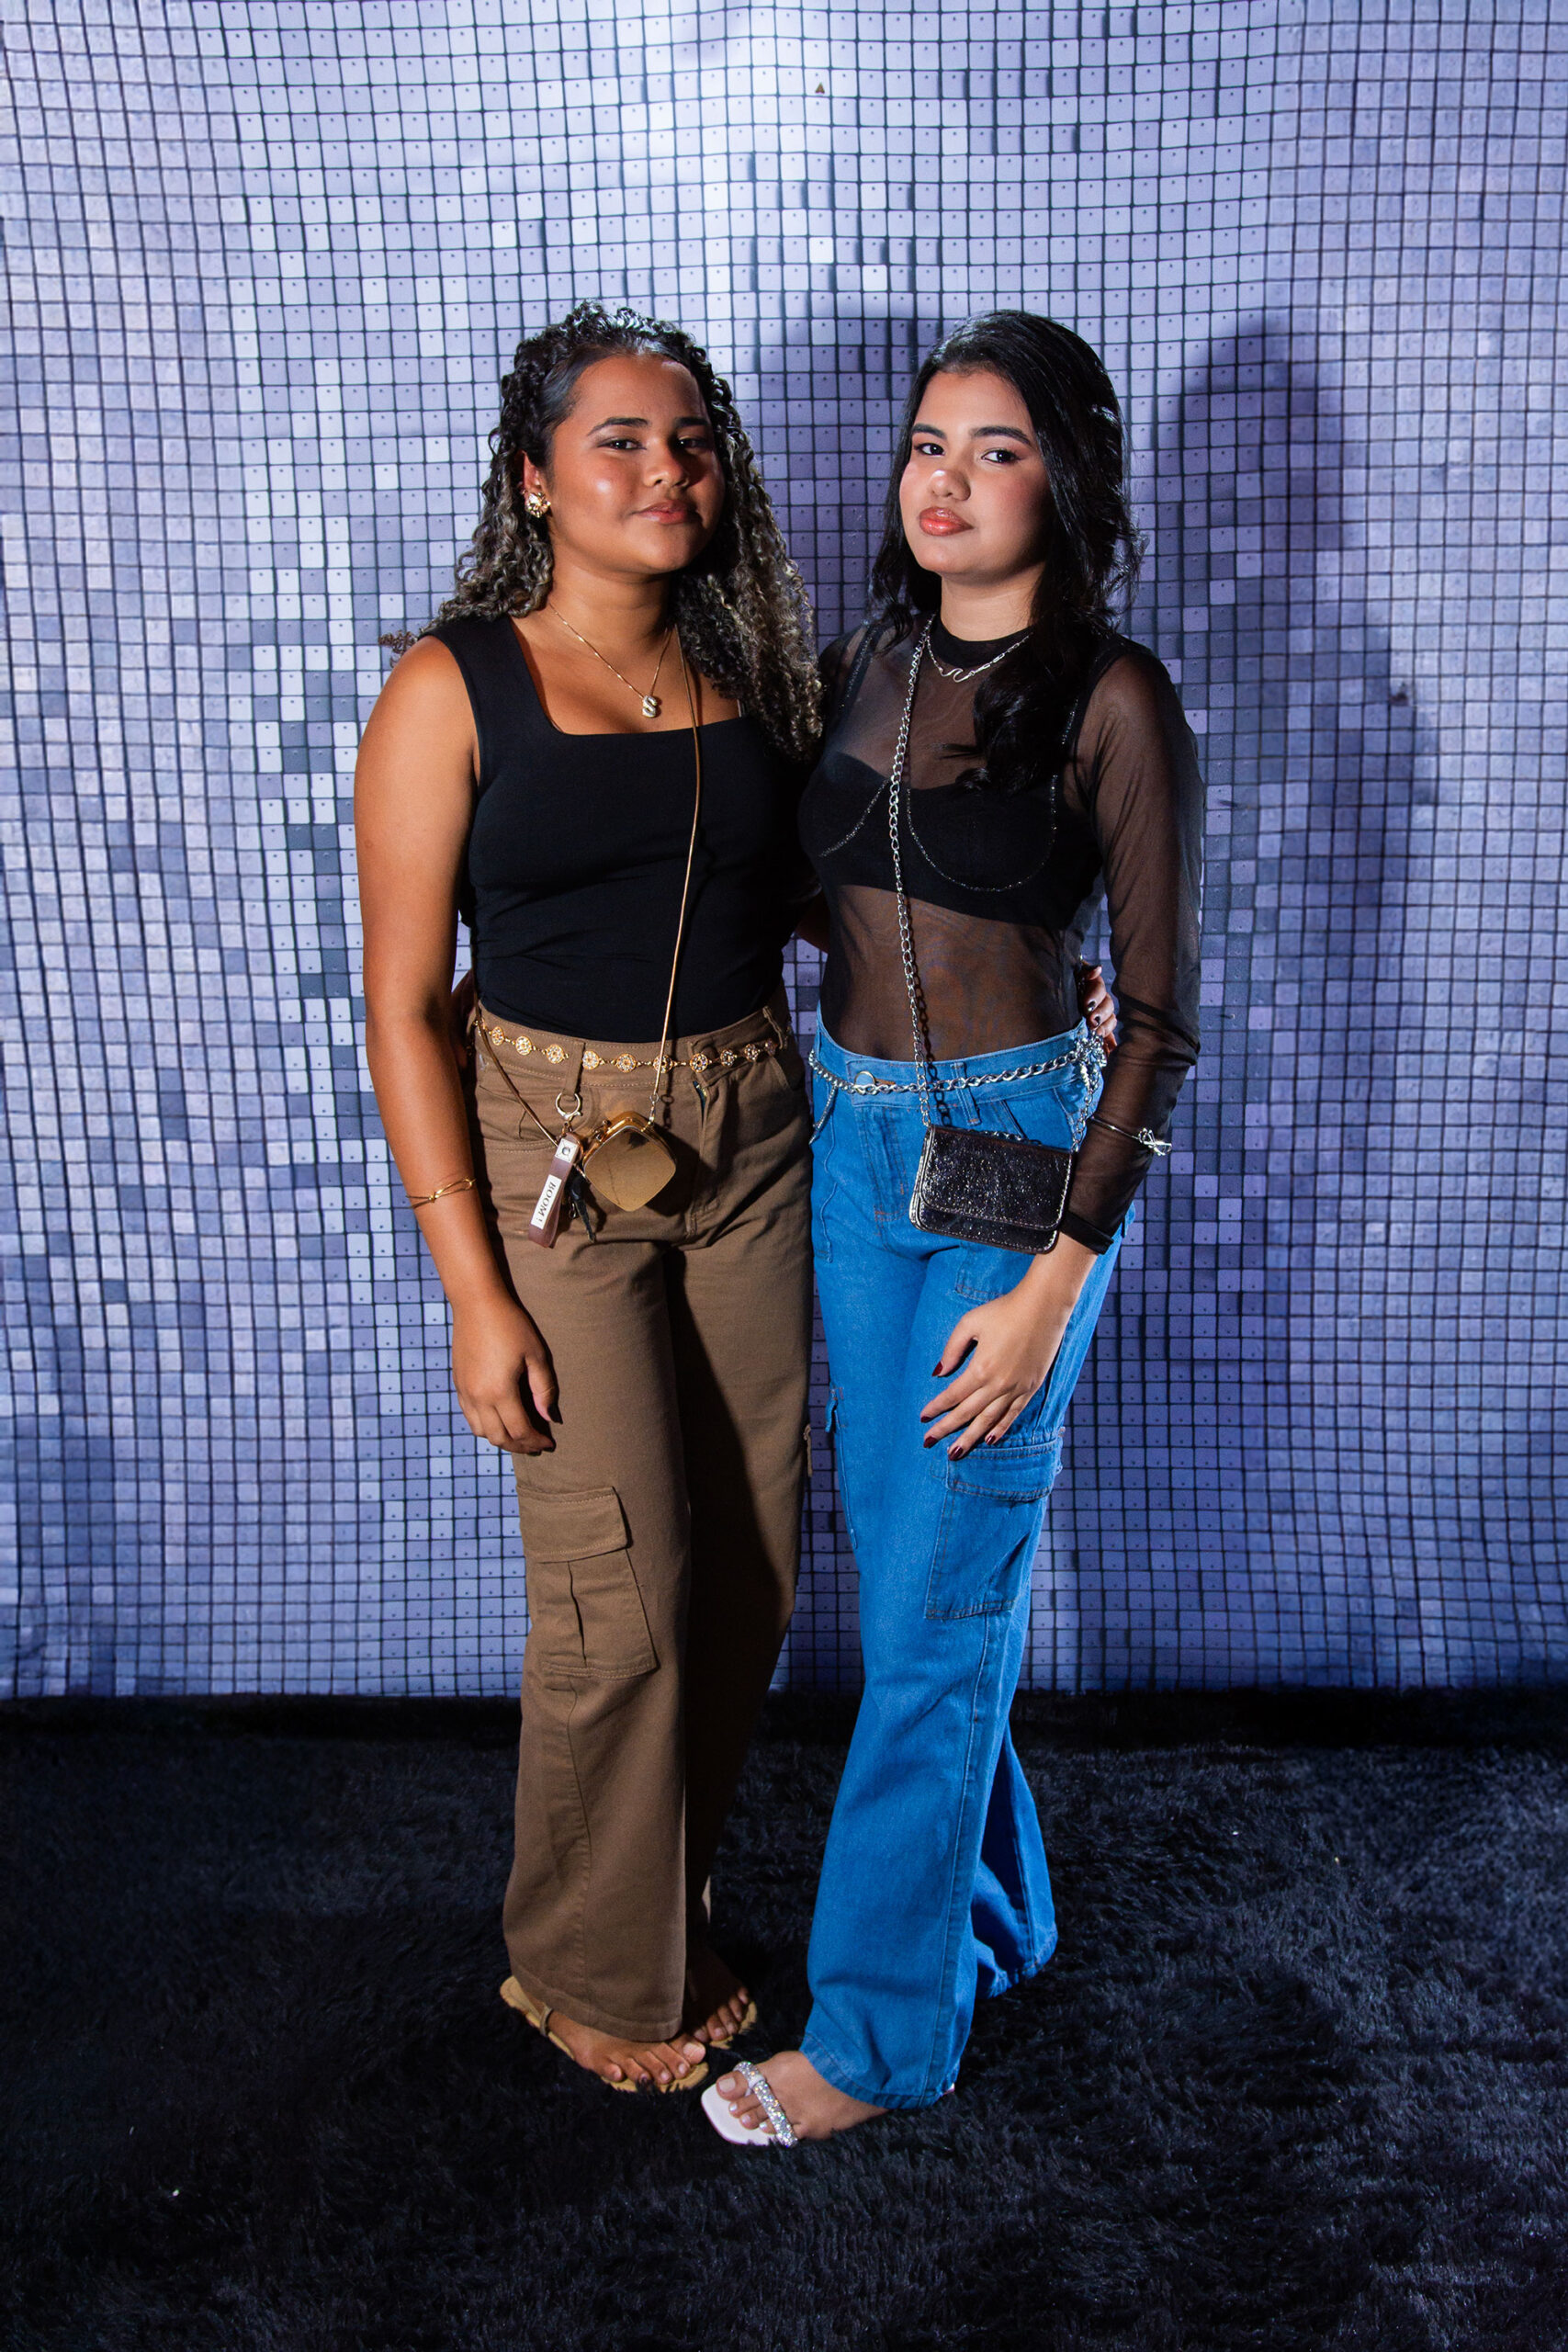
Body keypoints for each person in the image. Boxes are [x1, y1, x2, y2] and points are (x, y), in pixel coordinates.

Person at [708, 312, 1203, 2145]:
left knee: (931, 1609)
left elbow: (1157, 1024)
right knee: (917, 1565)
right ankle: (997, 1914)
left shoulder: (1114, 701)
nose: (947, 478)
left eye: (997, 450)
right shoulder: (864, 662)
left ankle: (876, 2036)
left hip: (1020, 1167)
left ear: (1061, 484)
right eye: (930, 442)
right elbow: (811, 888)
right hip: (855, 1147)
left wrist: (1060, 1279)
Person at [355, 301, 825, 2094]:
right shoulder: (449, 687)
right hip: (550, 1167)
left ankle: (655, 1907)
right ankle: (584, 1971)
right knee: (618, 1585)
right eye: (616, 438)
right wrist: (472, 1293)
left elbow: (817, 901)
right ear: (535, 479)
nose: (662, 468)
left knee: (753, 1569)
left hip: (750, 1137)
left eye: (688, 438)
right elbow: (404, 1005)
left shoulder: (750, 676)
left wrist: (1028, 978)